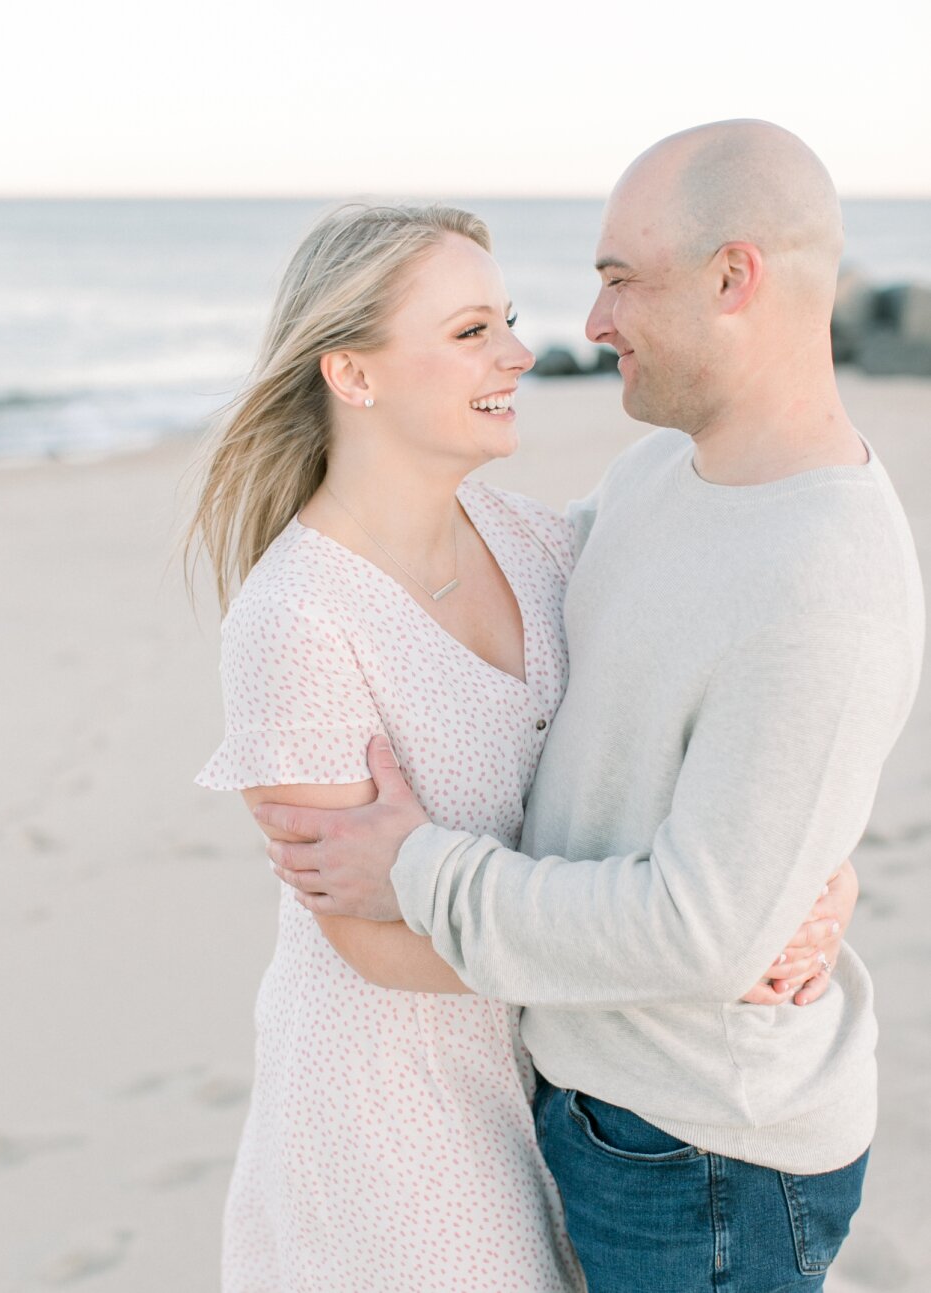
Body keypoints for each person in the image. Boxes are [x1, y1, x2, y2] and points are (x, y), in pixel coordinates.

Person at [261, 123, 925, 1292]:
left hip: (705, 1153)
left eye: (619, 279)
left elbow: (695, 931)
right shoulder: (663, 474)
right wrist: (807, 869)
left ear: (733, 278)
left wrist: (413, 869)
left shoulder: (822, 574)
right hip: (596, 1107)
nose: (587, 326)